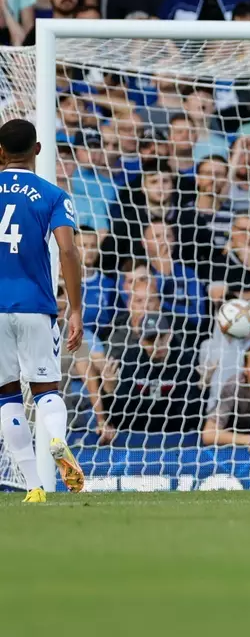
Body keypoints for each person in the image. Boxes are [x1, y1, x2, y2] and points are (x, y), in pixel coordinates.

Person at [0, 119, 86, 502]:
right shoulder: (52, 194)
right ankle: (55, 438)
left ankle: (34, 486)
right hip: (36, 304)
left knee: (6, 396)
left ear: (0, 152)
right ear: (37, 150)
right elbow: (68, 250)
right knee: (45, 388)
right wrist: (76, 310)